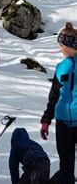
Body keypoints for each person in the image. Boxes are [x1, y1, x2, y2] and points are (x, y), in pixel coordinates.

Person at [40, 22, 77, 184]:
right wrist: (46, 120)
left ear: (70, 45)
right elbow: (54, 95)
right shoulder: (61, 67)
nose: (60, 48)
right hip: (63, 123)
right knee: (66, 167)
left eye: (61, 45)